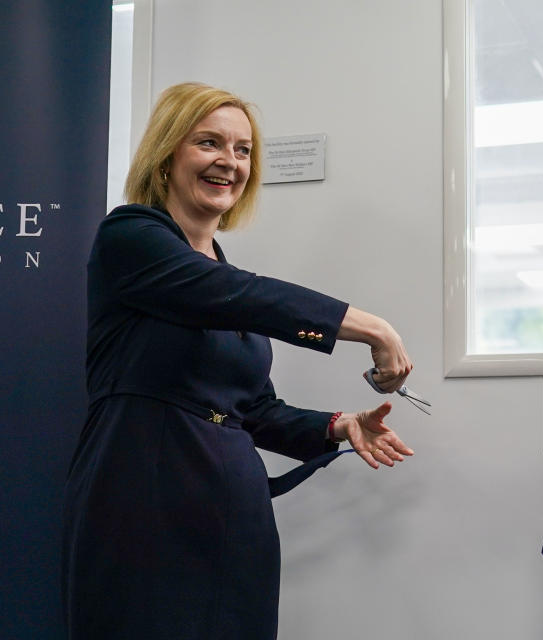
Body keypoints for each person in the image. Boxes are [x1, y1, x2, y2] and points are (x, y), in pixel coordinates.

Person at [62, 82, 415, 639]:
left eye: (243, 149)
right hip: (142, 503)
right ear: (167, 154)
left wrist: (339, 426)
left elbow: (253, 410)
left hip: (232, 509)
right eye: (209, 143)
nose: (229, 161)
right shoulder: (130, 236)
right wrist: (370, 326)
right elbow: (237, 295)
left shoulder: (222, 271)